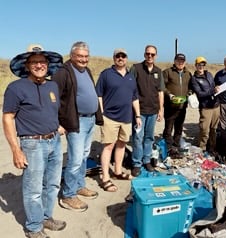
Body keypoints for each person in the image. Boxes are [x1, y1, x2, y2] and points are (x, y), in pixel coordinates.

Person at [2, 44, 66, 237]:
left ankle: (46, 217)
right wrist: (16, 150)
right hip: (32, 144)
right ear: (26, 65)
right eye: (34, 62)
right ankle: (33, 227)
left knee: (53, 184)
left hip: (54, 141)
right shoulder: (15, 88)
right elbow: (8, 118)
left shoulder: (52, 85)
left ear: (48, 64)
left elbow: (50, 110)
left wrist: (57, 126)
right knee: (34, 189)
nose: (39, 65)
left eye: (42, 61)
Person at [52, 41, 103, 212]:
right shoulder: (63, 72)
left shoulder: (86, 70)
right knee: (74, 160)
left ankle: (80, 185)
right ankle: (68, 195)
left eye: (86, 56)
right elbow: (53, 98)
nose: (83, 59)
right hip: (76, 121)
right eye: (80, 56)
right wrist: (58, 122)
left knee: (84, 156)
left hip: (89, 120)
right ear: (72, 56)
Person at [96, 48, 142, 191]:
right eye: (118, 56)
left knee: (122, 145)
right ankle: (105, 177)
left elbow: (134, 98)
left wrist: (138, 115)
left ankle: (117, 171)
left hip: (126, 117)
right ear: (114, 58)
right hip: (110, 117)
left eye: (123, 56)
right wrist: (102, 113)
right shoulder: (106, 74)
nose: (120, 58)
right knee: (109, 146)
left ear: (126, 58)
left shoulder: (130, 76)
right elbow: (99, 95)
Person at [130, 45, 164, 177]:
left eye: (152, 54)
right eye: (148, 54)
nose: (150, 56)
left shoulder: (158, 71)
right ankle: (137, 163)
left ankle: (147, 160)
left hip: (153, 110)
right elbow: (131, 88)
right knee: (138, 137)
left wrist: (161, 109)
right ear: (144, 54)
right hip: (139, 111)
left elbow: (160, 91)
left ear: (156, 56)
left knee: (149, 137)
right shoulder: (136, 68)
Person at [162, 53, 193, 148]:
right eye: (178, 60)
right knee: (168, 129)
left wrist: (188, 95)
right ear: (174, 61)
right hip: (170, 106)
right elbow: (162, 87)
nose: (180, 63)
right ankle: (168, 147)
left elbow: (191, 88)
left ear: (185, 62)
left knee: (179, 128)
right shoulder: (167, 72)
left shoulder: (188, 74)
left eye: (182, 61)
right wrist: (170, 95)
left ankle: (176, 146)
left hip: (182, 106)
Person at [191, 56, 220, 154]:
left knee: (214, 129)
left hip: (216, 105)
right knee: (204, 130)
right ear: (195, 65)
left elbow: (213, 86)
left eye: (203, 64)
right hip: (206, 107)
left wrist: (216, 88)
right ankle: (202, 149)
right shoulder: (194, 79)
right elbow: (200, 94)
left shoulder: (210, 74)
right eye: (199, 64)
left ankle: (213, 148)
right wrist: (212, 91)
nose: (201, 66)